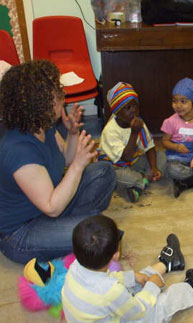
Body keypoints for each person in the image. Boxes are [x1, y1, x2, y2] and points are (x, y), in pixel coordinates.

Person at [0, 60, 115, 264]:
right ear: (39, 101)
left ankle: (72, 228)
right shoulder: (19, 151)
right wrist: (78, 166)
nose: (63, 97)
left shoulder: (42, 126)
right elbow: (51, 206)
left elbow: (66, 159)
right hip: (22, 232)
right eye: (57, 93)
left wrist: (72, 133)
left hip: (50, 209)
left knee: (104, 172)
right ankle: (76, 230)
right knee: (100, 234)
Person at [62, 215, 193, 322]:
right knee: (158, 307)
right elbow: (137, 312)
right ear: (115, 255)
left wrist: (132, 277)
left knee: (136, 279)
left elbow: (107, 281)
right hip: (125, 314)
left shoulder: (75, 267)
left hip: (105, 307)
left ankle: (167, 263)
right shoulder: (110, 291)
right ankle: (190, 286)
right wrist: (152, 287)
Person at [99, 82, 166, 203]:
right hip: (114, 167)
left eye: (135, 106)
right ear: (117, 111)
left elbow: (149, 147)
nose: (133, 111)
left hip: (133, 162)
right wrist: (134, 133)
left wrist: (154, 168)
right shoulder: (110, 131)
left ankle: (141, 183)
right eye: (128, 108)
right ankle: (141, 181)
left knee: (161, 156)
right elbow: (125, 158)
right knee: (127, 178)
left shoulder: (139, 123)